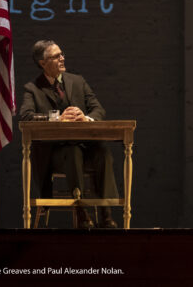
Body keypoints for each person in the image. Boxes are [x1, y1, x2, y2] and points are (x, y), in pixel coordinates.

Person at [19, 40, 119, 229]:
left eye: (62, 54)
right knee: (73, 152)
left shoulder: (77, 81)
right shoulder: (32, 89)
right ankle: (81, 211)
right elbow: (26, 116)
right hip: (56, 153)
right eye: (57, 56)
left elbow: (98, 109)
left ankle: (106, 213)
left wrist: (86, 118)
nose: (62, 58)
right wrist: (56, 118)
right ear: (43, 62)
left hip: (85, 146)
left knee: (103, 153)